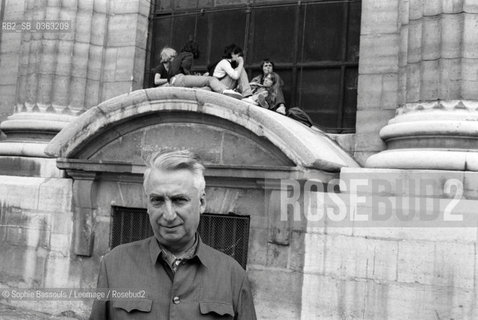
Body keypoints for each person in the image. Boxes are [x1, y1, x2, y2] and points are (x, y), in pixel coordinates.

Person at [89, 150, 257, 320]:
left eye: (179, 200)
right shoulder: (114, 265)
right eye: (157, 200)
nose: (168, 215)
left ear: (202, 202)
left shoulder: (233, 276)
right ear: (147, 204)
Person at [156, 42, 242, 99]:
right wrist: (192, 75)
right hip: (179, 78)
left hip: (173, 81)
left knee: (200, 87)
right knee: (210, 79)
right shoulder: (189, 55)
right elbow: (185, 67)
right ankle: (225, 90)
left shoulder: (180, 56)